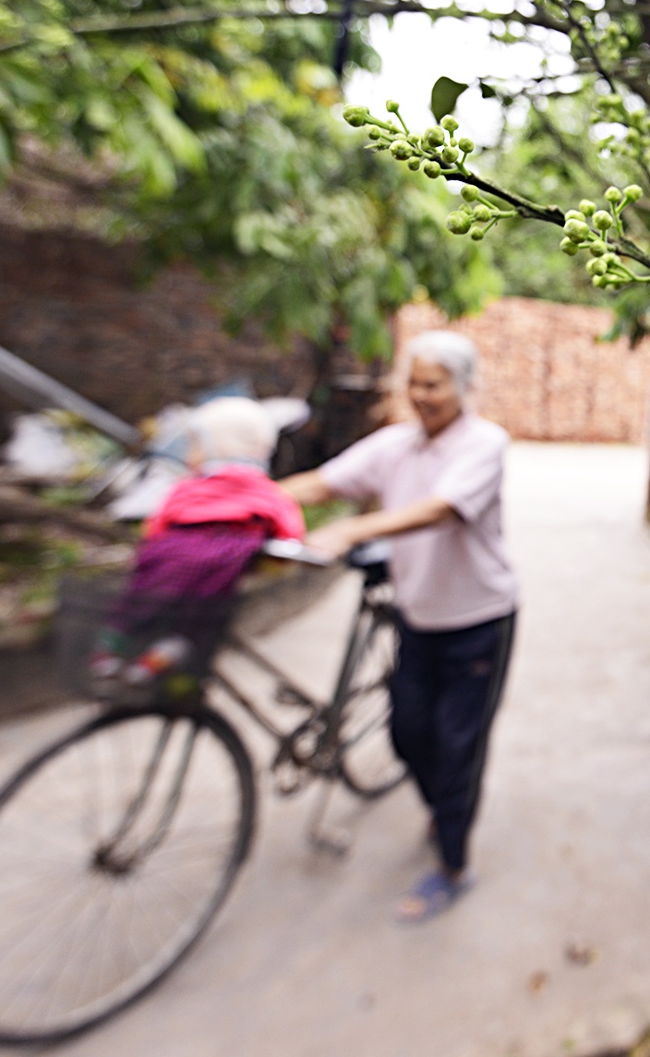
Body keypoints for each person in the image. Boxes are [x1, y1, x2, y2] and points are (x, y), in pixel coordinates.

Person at [281, 331, 517, 923]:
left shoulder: (484, 445)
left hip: (477, 622)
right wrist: (239, 503)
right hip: (417, 617)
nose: (421, 394)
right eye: (414, 382)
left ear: (464, 387)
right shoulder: (395, 444)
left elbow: (442, 509)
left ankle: (454, 866)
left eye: (434, 383)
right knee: (409, 735)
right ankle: (443, 805)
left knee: (457, 749)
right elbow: (324, 482)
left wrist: (354, 531)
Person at [97, 397, 304, 688]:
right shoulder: (268, 492)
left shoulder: (186, 488)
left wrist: (147, 552)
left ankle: (110, 653)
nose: (187, 453)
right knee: (193, 627)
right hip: (221, 567)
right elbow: (291, 532)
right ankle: (155, 662)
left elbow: (156, 526)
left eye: (193, 444)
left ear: (214, 447)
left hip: (165, 560)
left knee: (136, 605)